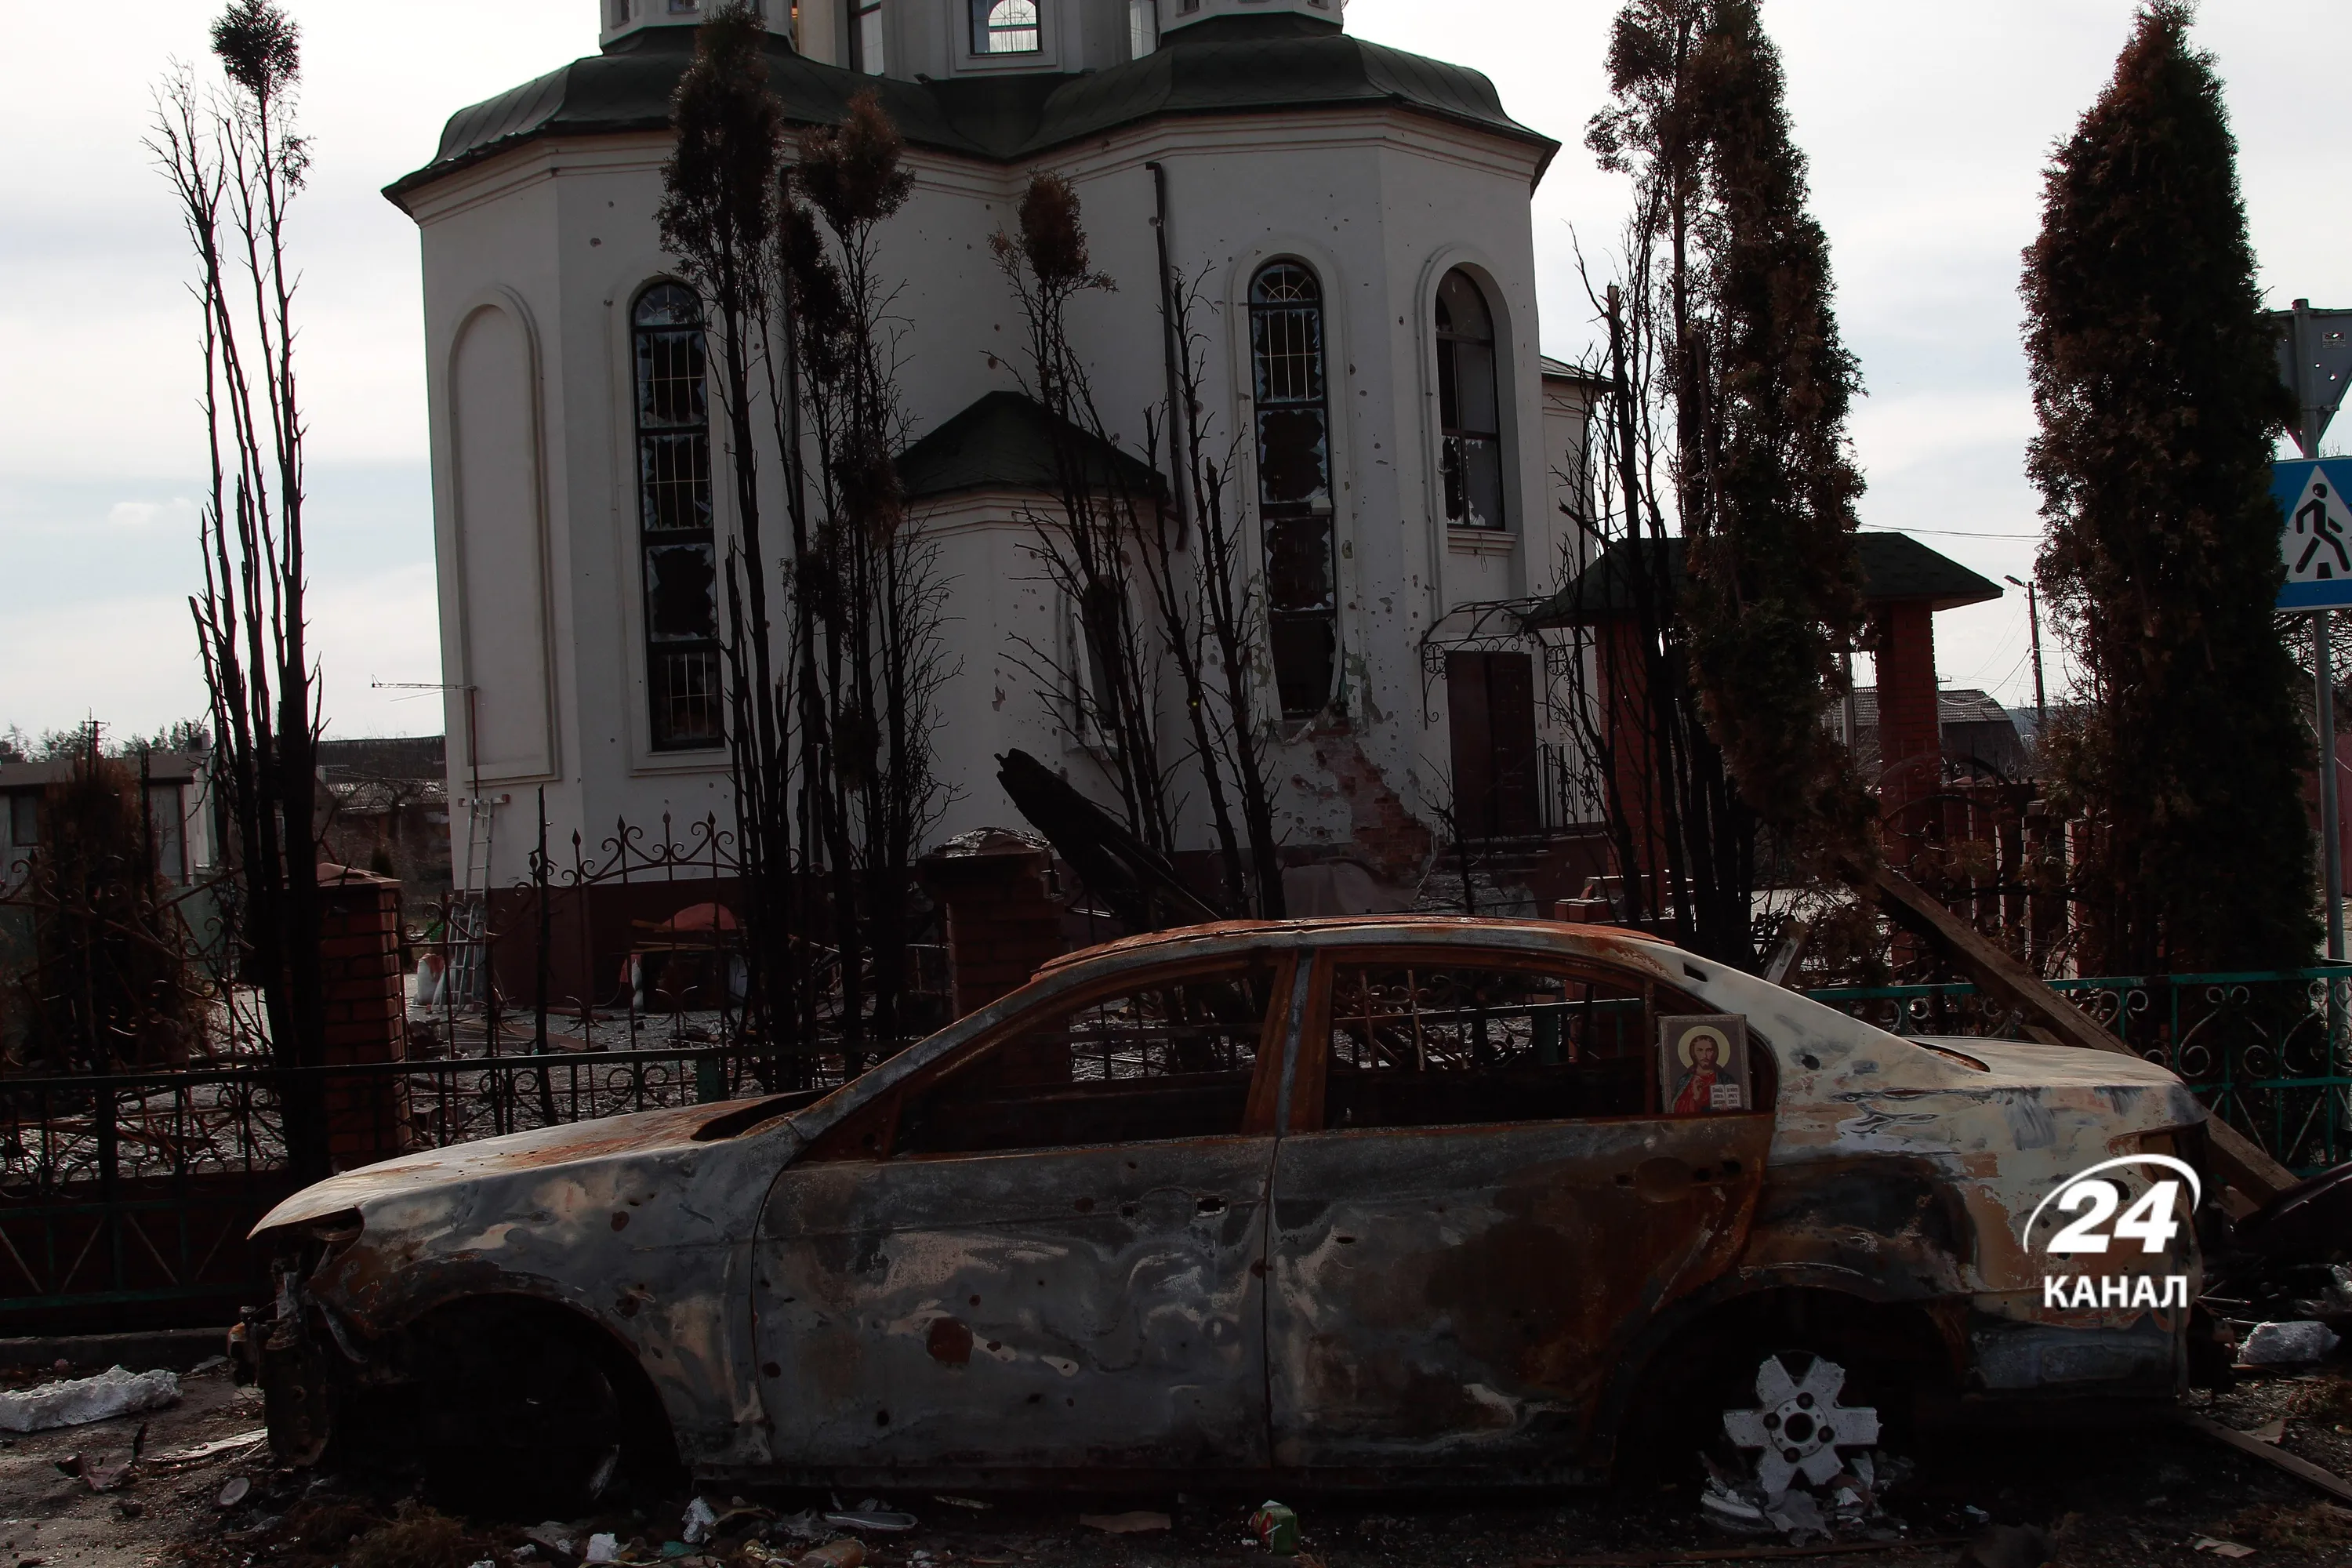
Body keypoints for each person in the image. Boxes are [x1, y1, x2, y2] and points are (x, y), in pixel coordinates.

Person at [1671, 1031, 1728, 1114]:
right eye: (1700, 1050)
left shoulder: (1725, 1079)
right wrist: (1695, 1099)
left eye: (1709, 1050)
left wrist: (1729, 1109)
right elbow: (1676, 1112)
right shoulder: (1685, 1081)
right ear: (1693, 1053)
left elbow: (1739, 1109)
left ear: (1715, 1053)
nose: (1704, 1056)